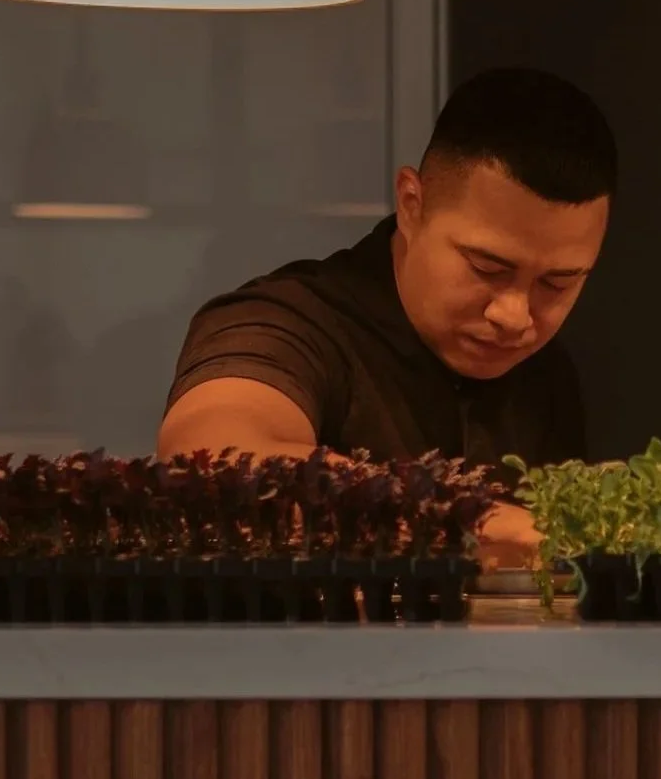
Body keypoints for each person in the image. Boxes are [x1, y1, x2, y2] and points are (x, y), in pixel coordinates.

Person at [158, 67, 616, 567]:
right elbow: (208, 460)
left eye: (558, 283)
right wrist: (478, 521)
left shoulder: (545, 378)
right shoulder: (285, 323)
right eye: (487, 267)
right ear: (411, 204)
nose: (514, 316)